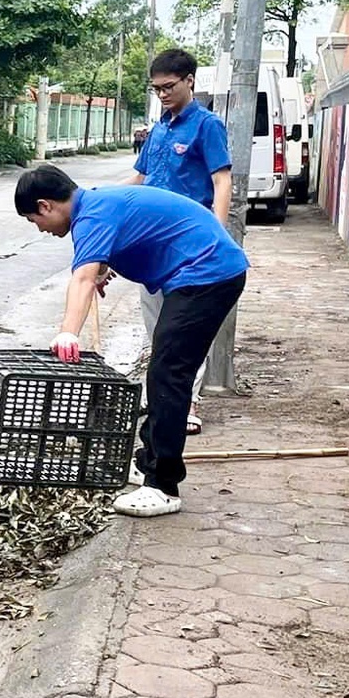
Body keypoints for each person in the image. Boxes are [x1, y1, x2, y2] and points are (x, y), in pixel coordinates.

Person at [17, 163, 248, 518]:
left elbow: (81, 280)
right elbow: (125, 241)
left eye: (35, 220)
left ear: (46, 205)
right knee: (163, 370)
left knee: (169, 374)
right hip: (203, 271)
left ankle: (163, 486)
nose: (41, 230)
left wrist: (67, 332)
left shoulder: (91, 217)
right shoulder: (96, 204)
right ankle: (147, 461)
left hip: (207, 274)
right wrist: (106, 266)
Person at [125, 48, 231, 434]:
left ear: (190, 81)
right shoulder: (158, 131)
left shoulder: (207, 127)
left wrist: (216, 235)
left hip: (190, 246)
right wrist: (89, 200)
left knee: (184, 329)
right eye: (156, 89)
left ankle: (187, 404)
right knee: (156, 329)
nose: (163, 95)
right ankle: (163, 400)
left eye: (169, 87)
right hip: (152, 245)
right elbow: (139, 181)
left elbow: (221, 181)